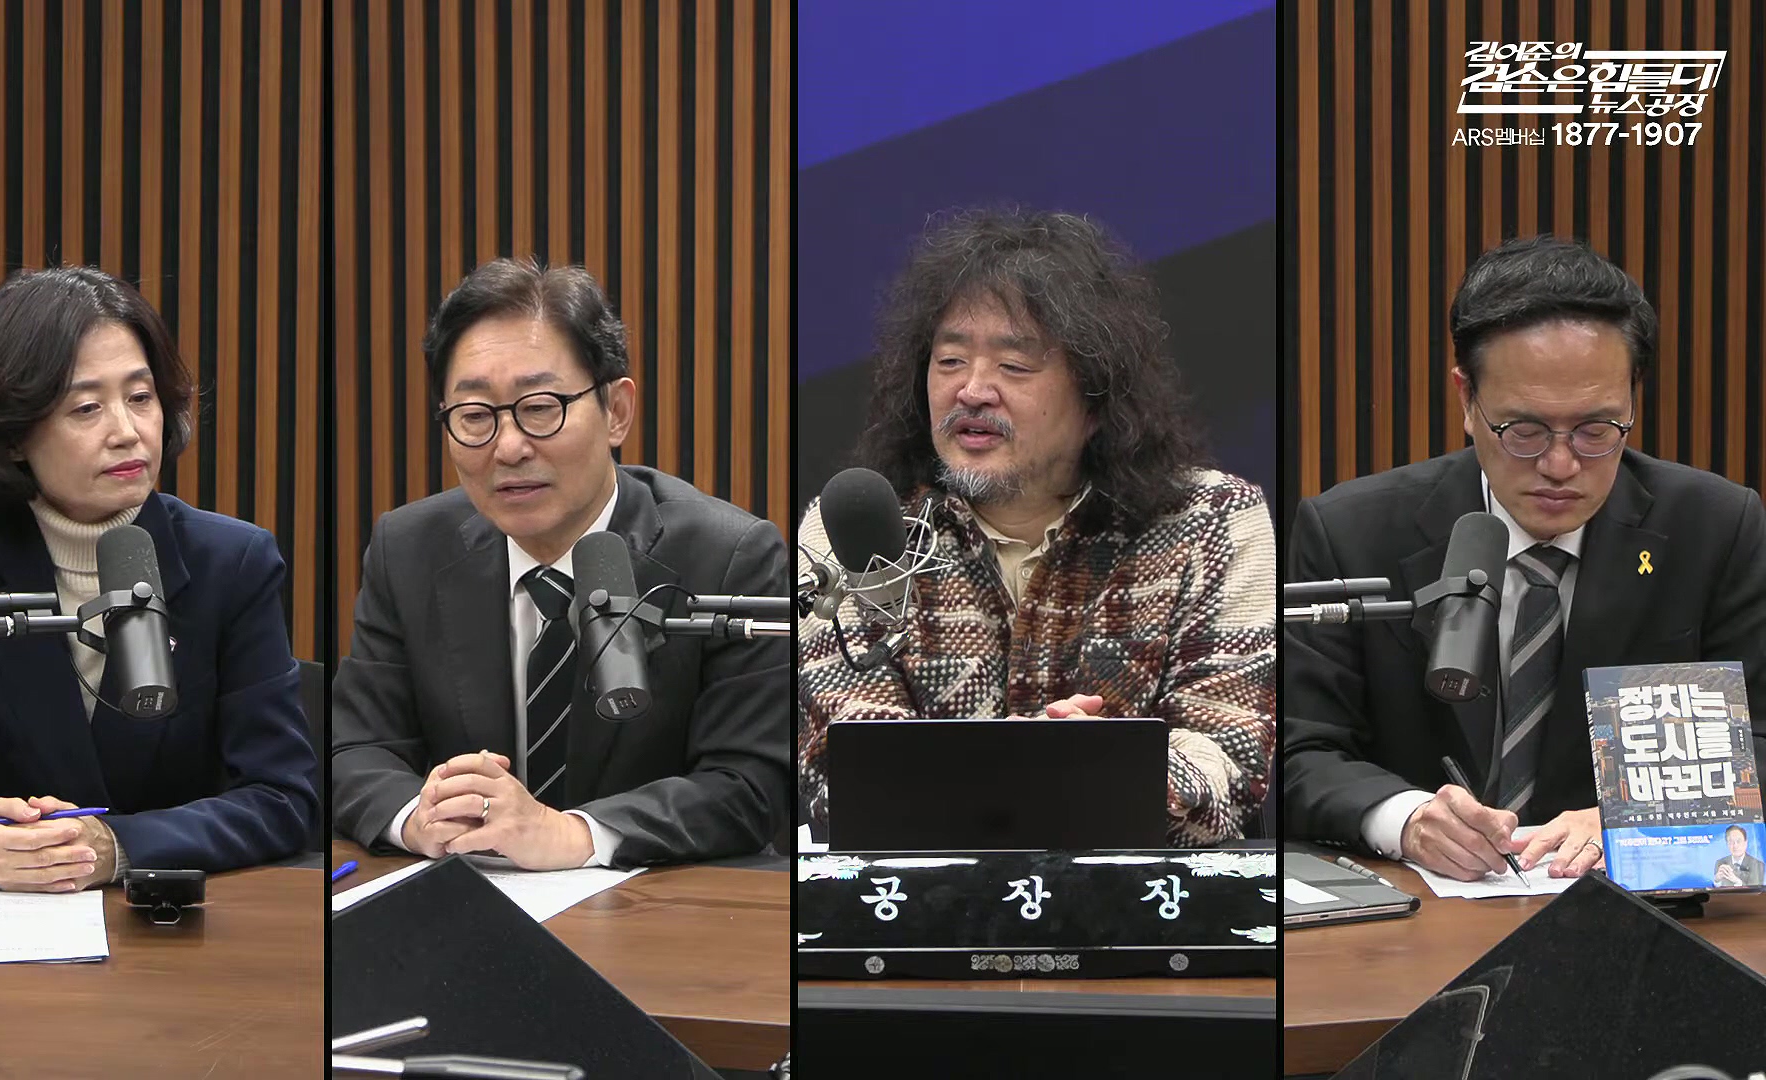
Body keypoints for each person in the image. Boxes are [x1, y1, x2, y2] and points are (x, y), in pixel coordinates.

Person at [1283, 236, 1766, 882]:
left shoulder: (1715, 528)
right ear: (1466, 400)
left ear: (1633, 403)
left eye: (1596, 430)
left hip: (1628, 905)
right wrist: (1408, 818)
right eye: (1525, 431)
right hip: (1419, 914)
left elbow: (1757, 740)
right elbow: (1300, 751)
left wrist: (1633, 818)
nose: (1560, 465)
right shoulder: (1351, 531)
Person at [794, 209, 1277, 846]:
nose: (972, 391)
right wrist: (1044, 768)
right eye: (949, 360)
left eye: (1015, 367)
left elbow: (1232, 759)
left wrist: (1113, 769)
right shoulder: (857, 532)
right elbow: (844, 772)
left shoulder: (1211, 520)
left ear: (1097, 399)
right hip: (928, 897)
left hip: (1137, 892)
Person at [330, 257, 789, 869]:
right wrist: (420, 816)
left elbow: (749, 783)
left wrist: (571, 834)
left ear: (616, 410)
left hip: (654, 906)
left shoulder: (729, 556)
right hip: (467, 894)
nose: (509, 447)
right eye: (475, 416)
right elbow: (354, 749)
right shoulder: (409, 548)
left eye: (540, 406)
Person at [0, 266, 318, 889]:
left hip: (168, 916)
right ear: (13, 435)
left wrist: (115, 846)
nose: (127, 433)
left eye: (141, 398)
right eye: (87, 408)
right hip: (1, 914)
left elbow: (280, 797)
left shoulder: (232, 562)